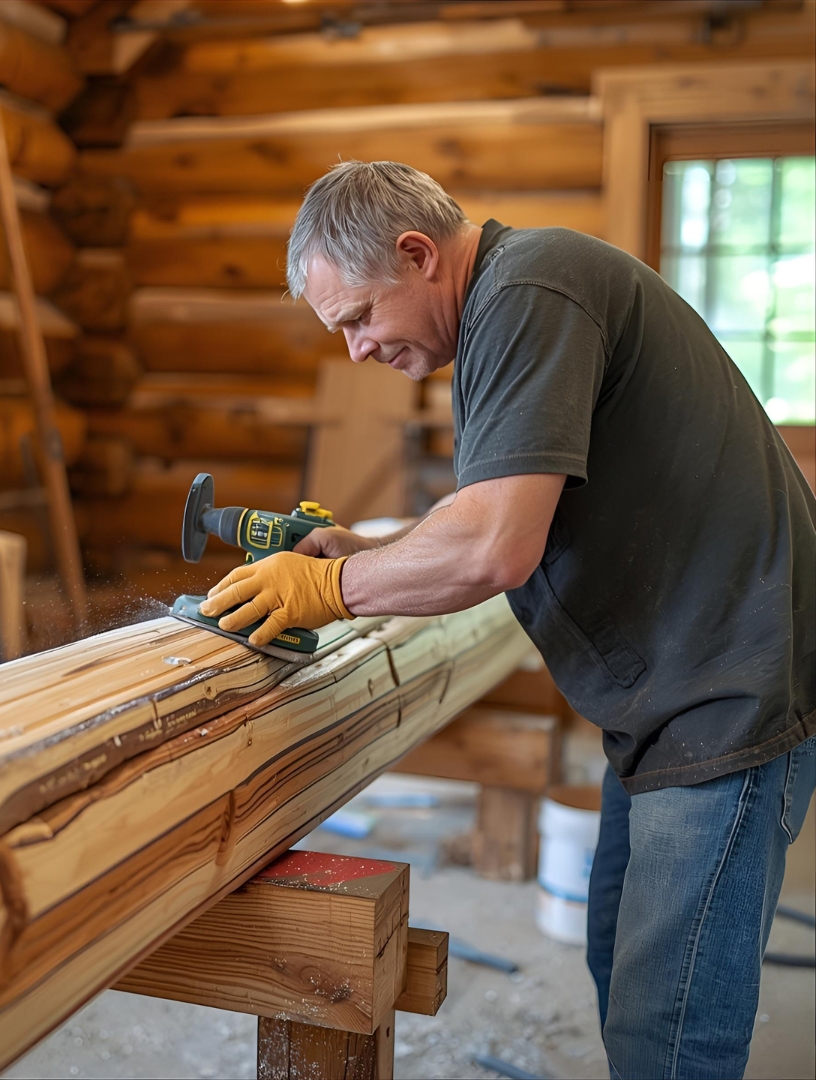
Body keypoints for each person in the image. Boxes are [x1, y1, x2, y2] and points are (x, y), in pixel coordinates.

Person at [199, 160, 816, 1079]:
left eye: (360, 317)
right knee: (618, 960)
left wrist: (332, 590)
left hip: (726, 691)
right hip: (669, 692)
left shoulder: (531, 290)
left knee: (671, 1030)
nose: (356, 351)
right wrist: (370, 548)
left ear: (418, 255)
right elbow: (493, 502)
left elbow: (496, 547)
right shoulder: (506, 301)